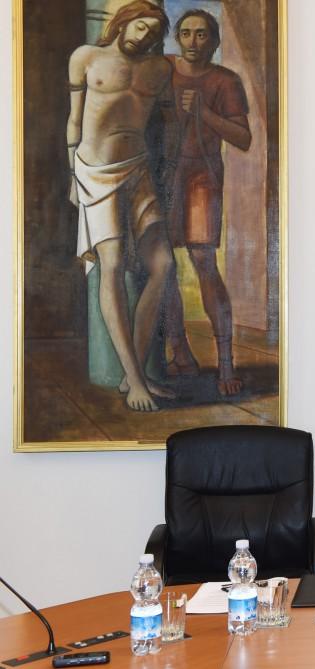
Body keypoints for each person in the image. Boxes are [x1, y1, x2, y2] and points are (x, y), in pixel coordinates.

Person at [67, 0, 178, 411]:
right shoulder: (85, 57)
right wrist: (72, 173)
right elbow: (74, 120)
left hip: (139, 169)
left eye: (153, 32)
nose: (145, 36)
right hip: (94, 172)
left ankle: (135, 375)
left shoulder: (160, 69)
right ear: (123, 23)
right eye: (140, 27)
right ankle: (135, 380)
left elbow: (170, 122)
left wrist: (171, 169)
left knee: (164, 265)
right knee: (111, 265)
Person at [162, 9, 252, 396]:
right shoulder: (163, 70)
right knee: (162, 265)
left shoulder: (225, 80)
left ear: (214, 41)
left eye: (201, 34)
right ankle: (180, 352)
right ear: (176, 38)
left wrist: (205, 114)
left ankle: (226, 362)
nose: (193, 41)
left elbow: (243, 138)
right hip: (163, 175)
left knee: (203, 261)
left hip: (202, 176)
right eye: (186, 33)